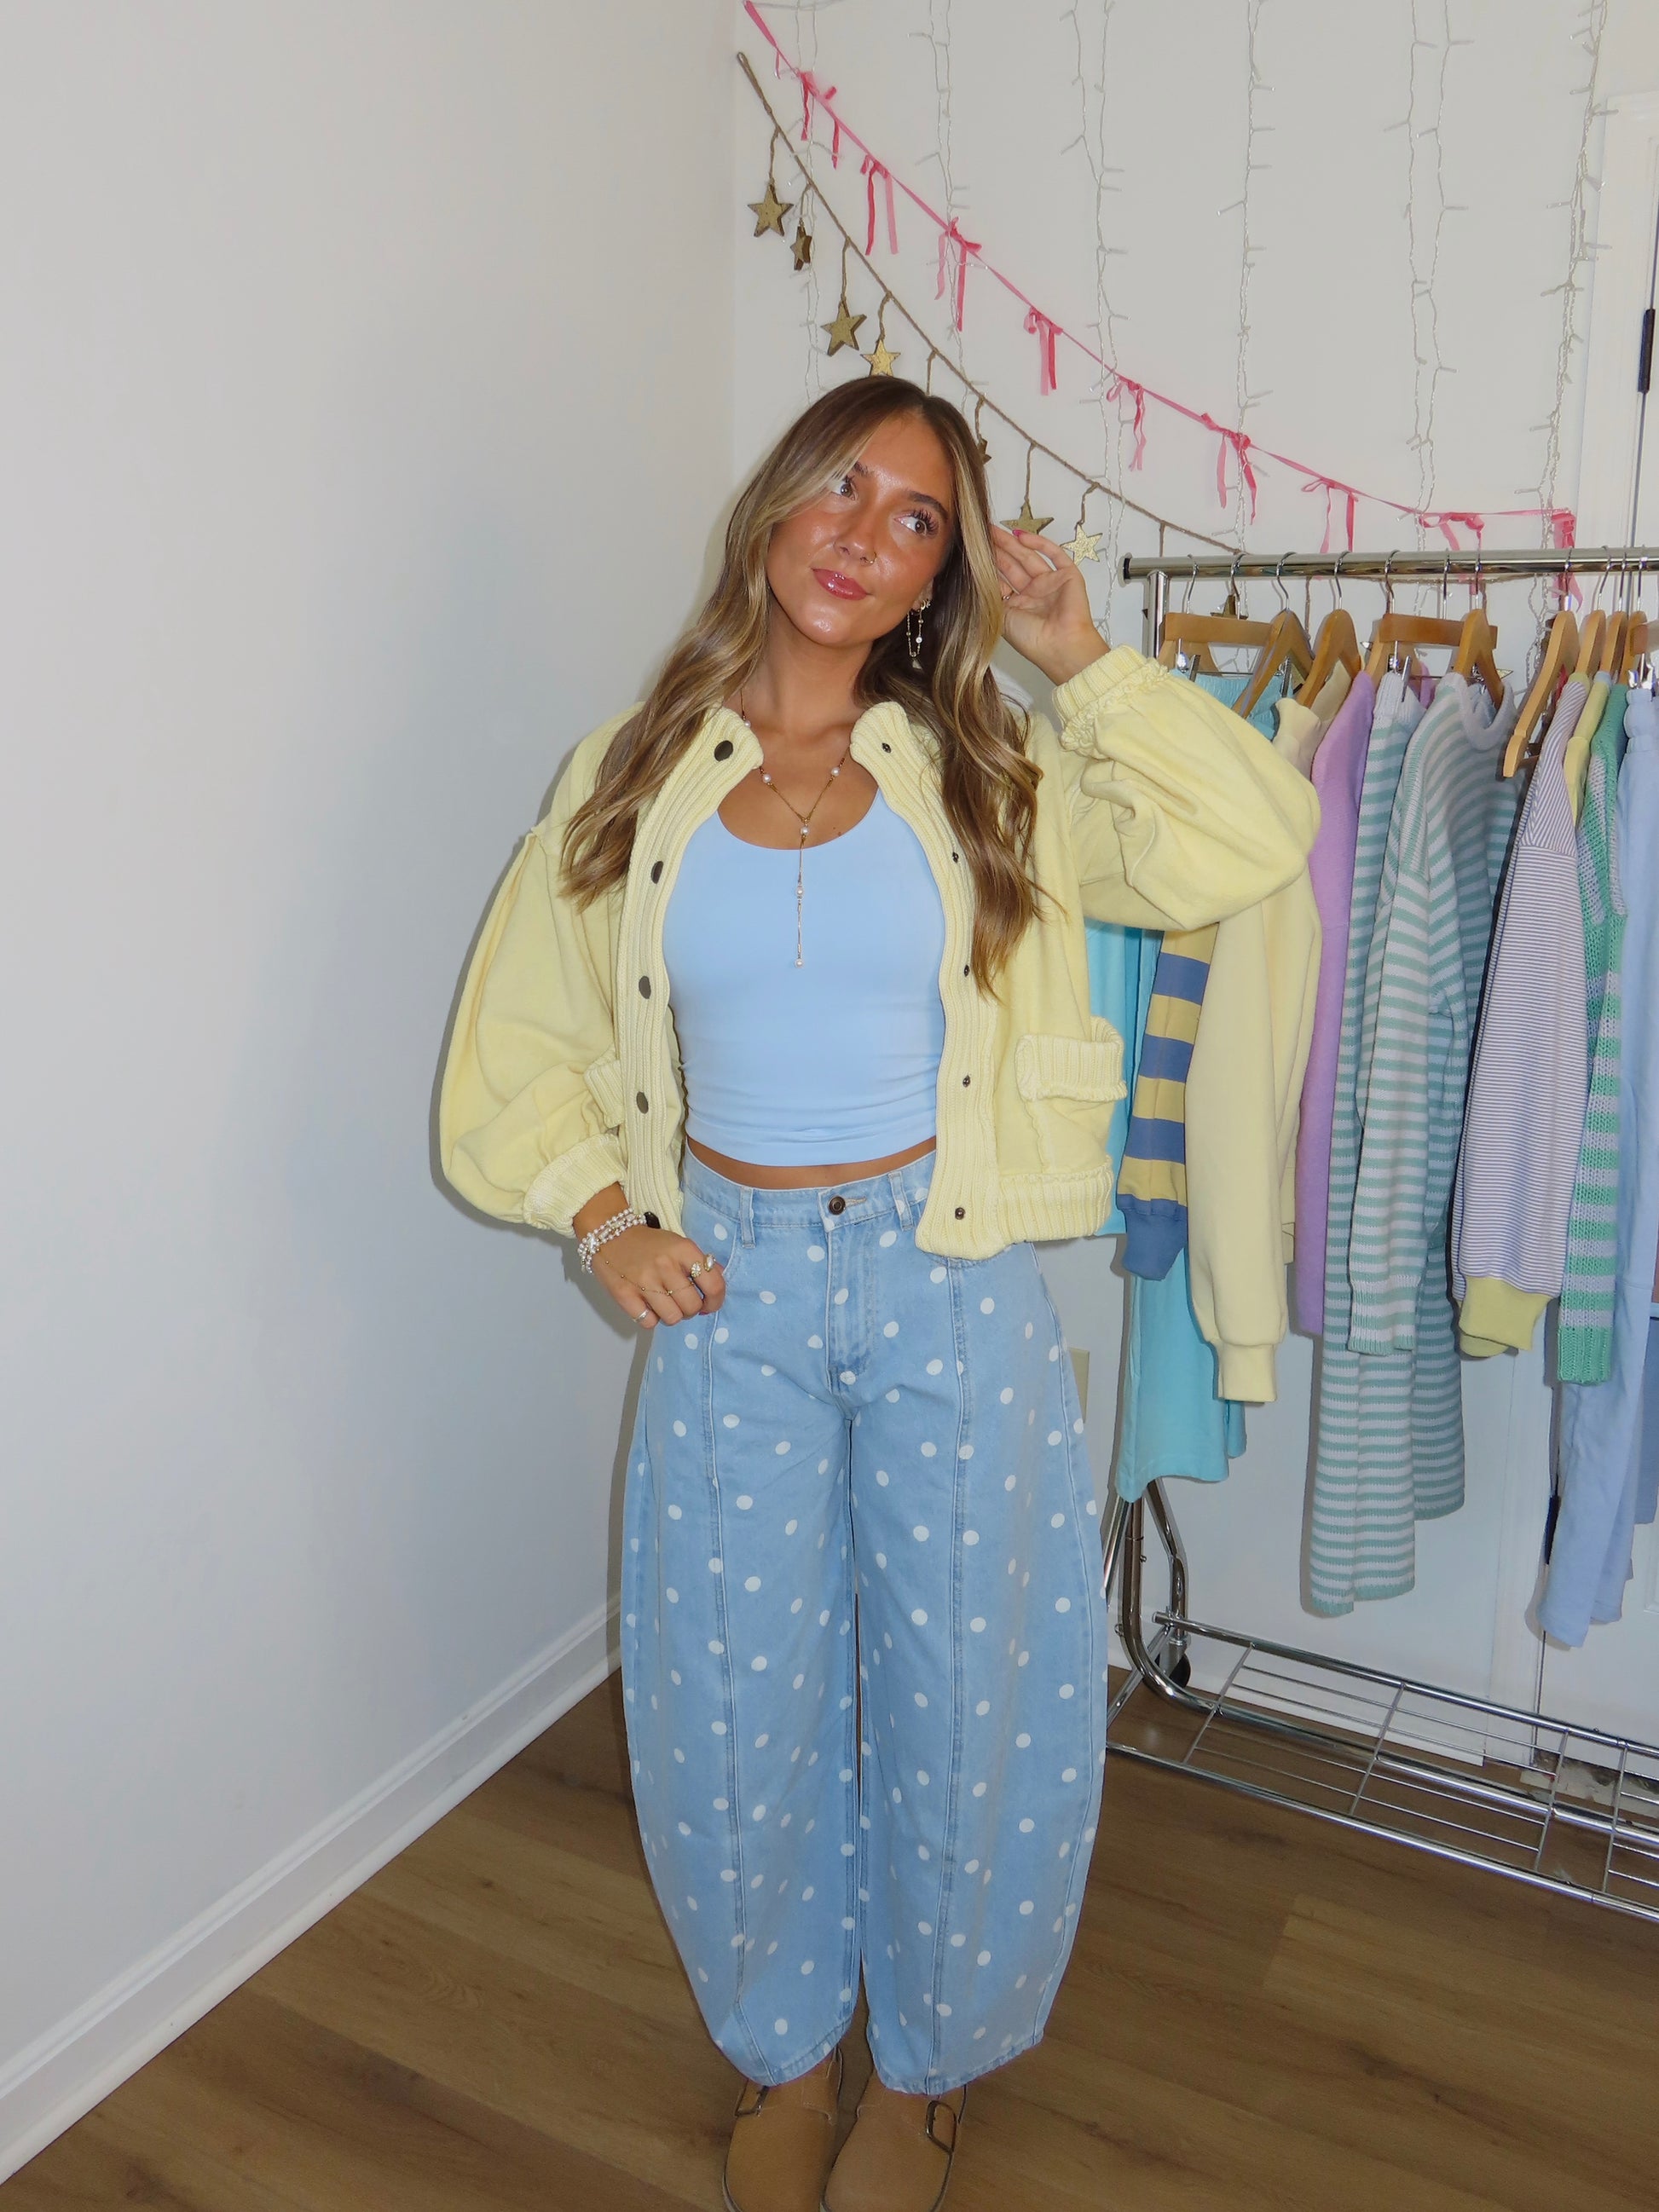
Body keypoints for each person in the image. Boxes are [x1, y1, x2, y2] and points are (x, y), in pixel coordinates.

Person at [438, 378, 1315, 2212]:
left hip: (947, 1274)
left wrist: (1079, 661)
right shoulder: (629, 777)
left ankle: (924, 2070)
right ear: (773, 505)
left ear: (940, 576)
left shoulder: (992, 772)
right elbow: (519, 1042)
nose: (863, 534)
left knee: (972, 1685)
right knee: (730, 1689)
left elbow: (1254, 837)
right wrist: (602, 1216)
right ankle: (784, 2046)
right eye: (840, 485)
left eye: (917, 517)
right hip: (727, 1291)